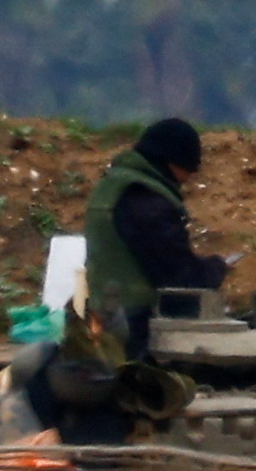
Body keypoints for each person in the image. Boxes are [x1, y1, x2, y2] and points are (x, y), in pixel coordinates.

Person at [77, 115, 239, 345]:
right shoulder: (145, 201)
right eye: (189, 170)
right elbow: (180, 276)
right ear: (173, 163)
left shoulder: (113, 186)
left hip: (106, 316)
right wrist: (217, 268)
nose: (189, 179)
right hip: (137, 329)